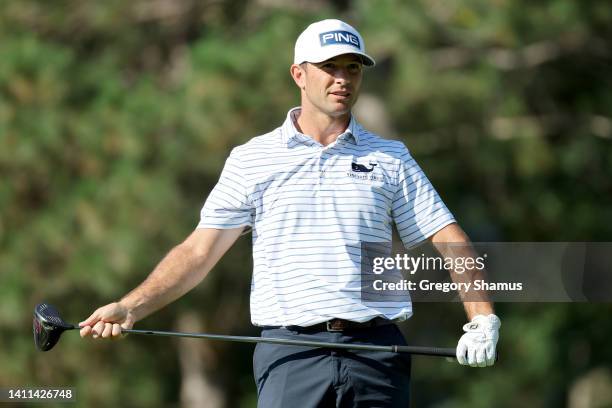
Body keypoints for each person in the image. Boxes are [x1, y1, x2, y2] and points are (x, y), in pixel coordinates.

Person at [80, 19, 500, 407]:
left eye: (353, 68)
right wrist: (131, 307)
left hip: (378, 353)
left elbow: (448, 238)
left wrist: (482, 318)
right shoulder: (252, 159)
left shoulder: (390, 157)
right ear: (298, 74)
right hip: (290, 356)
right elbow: (197, 254)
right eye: (329, 67)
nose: (343, 79)